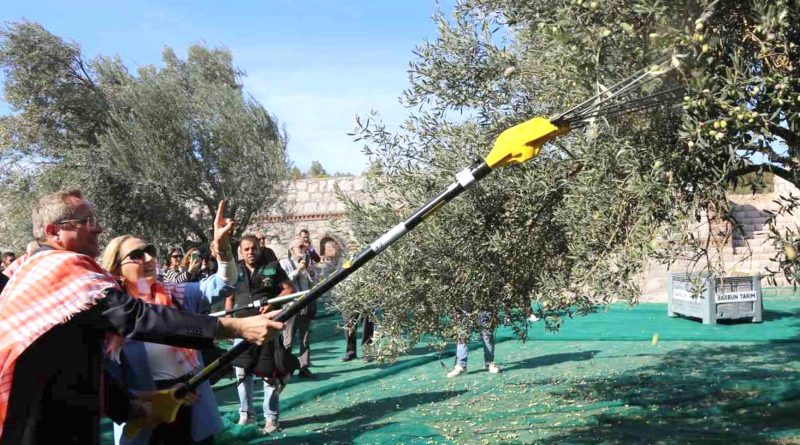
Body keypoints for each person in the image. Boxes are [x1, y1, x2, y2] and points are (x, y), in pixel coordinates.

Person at [0, 190, 283, 444]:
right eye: (86, 222)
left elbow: (74, 358)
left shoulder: (173, 294)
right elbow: (137, 319)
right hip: (42, 423)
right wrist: (234, 327)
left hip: (148, 409)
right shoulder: (64, 271)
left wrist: (130, 404)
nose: (98, 228)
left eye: (150, 252)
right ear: (53, 231)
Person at [100, 203, 239, 445]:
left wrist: (223, 249)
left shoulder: (176, 294)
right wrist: (156, 398)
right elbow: (107, 383)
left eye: (149, 250)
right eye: (136, 255)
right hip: (147, 415)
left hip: (194, 404)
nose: (149, 258)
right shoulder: (113, 315)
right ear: (117, 270)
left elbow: (223, 285)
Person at [225, 234, 295, 435]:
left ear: (259, 248)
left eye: (253, 248)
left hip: (267, 327)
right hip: (242, 327)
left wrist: (272, 303)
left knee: (270, 373)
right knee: (242, 373)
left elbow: (289, 289)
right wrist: (230, 325)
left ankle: (271, 418)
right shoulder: (235, 270)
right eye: (246, 249)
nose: (250, 252)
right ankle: (246, 415)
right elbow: (229, 299)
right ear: (241, 251)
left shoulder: (272, 266)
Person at [279, 239, 316, 377]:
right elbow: (285, 283)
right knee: (288, 339)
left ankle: (304, 367)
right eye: (300, 247)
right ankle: (285, 368)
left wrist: (310, 271)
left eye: (304, 247)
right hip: (291, 305)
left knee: (305, 338)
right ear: (291, 249)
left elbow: (312, 282)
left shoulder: (307, 263)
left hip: (305, 303)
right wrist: (298, 270)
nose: (303, 249)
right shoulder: (284, 264)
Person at [446, 310, 501, 378]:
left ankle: (489, 364)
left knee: (487, 334)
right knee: (463, 334)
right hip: (465, 306)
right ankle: (461, 366)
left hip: (483, 306)